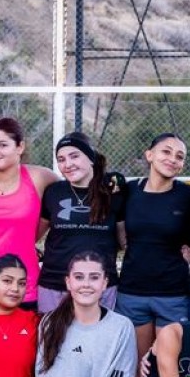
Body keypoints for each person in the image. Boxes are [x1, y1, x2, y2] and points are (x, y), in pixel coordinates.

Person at [114, 133, 190, 353]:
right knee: (136, 368)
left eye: (180, 156)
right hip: (132, 292)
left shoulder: (188, 194)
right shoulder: (129, 191)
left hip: (172, 294)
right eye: (166, 151)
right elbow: (118, 228)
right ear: (149, 155)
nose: (173, 159)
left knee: (167, 366)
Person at [0, 117, 58, 311]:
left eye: (2, 145)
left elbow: (69, 195)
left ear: (20, 147)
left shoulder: (40, 177)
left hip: (22, 284)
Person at [33, 130, 118, 313]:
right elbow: (33, 235)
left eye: (74, 156)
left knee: (96, 340)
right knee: (53, 341)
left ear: (90, 158)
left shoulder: (113, 191)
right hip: (54, 283)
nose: (68, 164)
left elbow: (124, 238)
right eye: (61, 159)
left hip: (99, 285)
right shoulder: (54, 192)